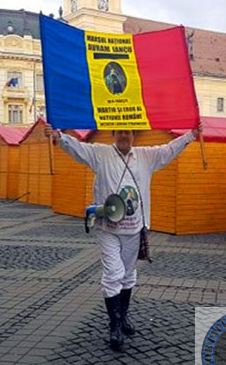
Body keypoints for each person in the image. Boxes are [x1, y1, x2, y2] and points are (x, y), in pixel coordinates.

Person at [45, 121, 202, 351]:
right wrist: (58, 136)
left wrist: (192, 135)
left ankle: (124, 316)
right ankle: (115, 325)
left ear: (134, 136)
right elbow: (77, 149)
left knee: (128, 275)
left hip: (134, 228)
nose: (124, 136)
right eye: (119, 132)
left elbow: (169, 150)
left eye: (127, 132)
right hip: (108, 228)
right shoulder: (101, 153)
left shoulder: (146, 157)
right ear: (114, 134)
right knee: (113, 274)